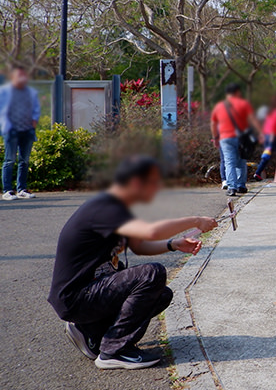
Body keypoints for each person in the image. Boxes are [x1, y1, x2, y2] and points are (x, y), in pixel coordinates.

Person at [47, 156, 217, 369]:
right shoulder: (105, 207)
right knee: (151, 274)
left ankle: (91, 331)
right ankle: (113, 351)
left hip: (90, 293)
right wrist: (196, 220)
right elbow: (151, 231)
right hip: (76, 297)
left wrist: (174, 244)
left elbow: (138, 245)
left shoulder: (117, 208)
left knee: (161, 295)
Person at [210, 84, 261, 197]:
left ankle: (232, 187)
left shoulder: (219, 106)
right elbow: (253, 119)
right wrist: (261, 133)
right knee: (242, 160)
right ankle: (241, 185)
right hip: (241, 137)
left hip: (225, 138)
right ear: (237, 92)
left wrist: (215, 138)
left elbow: (214, 123)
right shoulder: (244, 104)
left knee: (229, 162)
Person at [1, 64, 39, 200]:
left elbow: (36, 109)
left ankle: (22, 189)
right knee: (9, 160)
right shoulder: (5, 91)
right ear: (12, 77)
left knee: (24, 161)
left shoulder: (31, 92)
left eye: (24, 75)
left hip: (27, 131)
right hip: (11, 131)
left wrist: (34, 122)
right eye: (19, 75)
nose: (22, 77)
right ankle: (7, 190)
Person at [252, 95, 276, 181]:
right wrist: (271, 139)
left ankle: (260, 173)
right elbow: (273, 127)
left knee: (268, 155)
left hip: (268, 136)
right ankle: (260, 172)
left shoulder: (270, 113)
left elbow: (266, 125)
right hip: (273, 137)